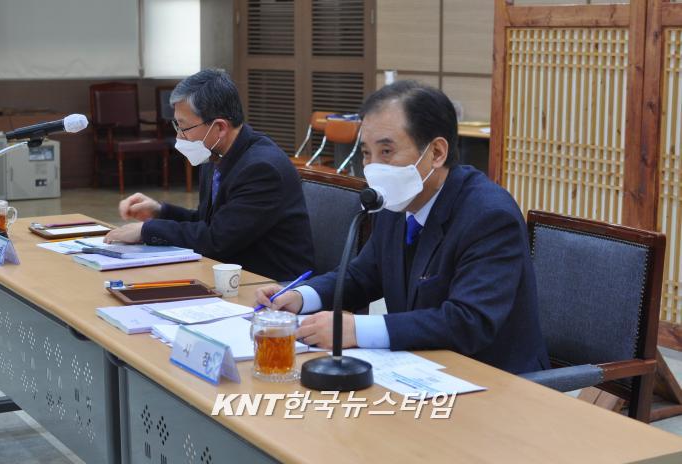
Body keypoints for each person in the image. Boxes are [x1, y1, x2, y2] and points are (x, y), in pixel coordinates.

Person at [255, 81, 549, 374]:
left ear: (436, 153)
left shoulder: (489, 215)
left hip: (493, 377)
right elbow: (362, 275)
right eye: (366, 153)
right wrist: (301, 297)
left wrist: (357, 329)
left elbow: (468, 321)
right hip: (420, 367)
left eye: (386, 151)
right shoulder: (397, 201)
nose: (373, 168)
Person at [104, 69, 315, 282]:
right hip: (232, 275)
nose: (179, 136)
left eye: (184, 127)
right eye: (176, 125)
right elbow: (208, 222)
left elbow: (217, 239)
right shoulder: (215, 152)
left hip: (274, 285)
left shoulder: (261, 169)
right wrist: (159, 212)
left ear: (220, 128)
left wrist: (147, 230)